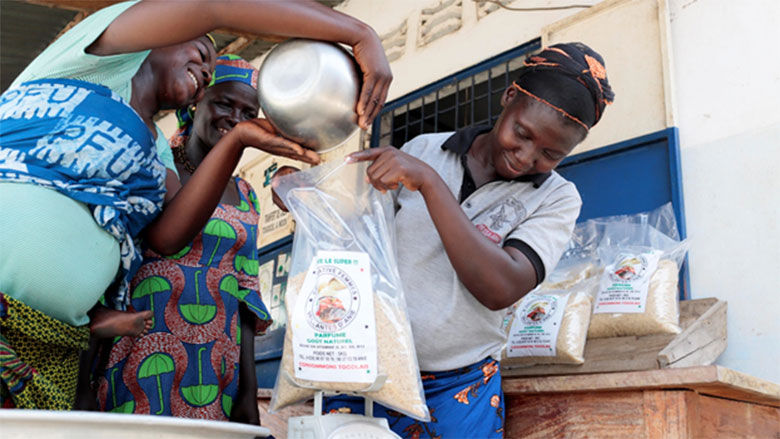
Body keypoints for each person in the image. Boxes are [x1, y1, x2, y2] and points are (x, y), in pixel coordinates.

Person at [0, 0, 391, 410]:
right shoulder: (88, 61)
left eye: (209, 69)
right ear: (153, 38)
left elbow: (169, 237)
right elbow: (213, 7)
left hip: (44, 343)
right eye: (201, 54)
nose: (205, 71)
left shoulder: (155, 156)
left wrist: (241, 139)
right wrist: (357, 33)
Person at [322, 43, 614, 438]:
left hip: (457, 389)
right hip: (370, 374)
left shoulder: (556, 198)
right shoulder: (426, 149)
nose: (526, 157)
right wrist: (309, 199)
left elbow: (500, 287)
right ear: (509, 96)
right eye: (522, 134)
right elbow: (359, 240)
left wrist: (428, 183)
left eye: (550, 153)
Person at [94, 55, 269, 423]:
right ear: (196, 101)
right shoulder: (155, 165)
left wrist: (248, 392)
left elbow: (247, 293)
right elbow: (103, 264)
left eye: (248, 113)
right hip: (141, 347)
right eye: (224, 103)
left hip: (216, 360)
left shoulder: (247, 194)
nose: (235, 119)